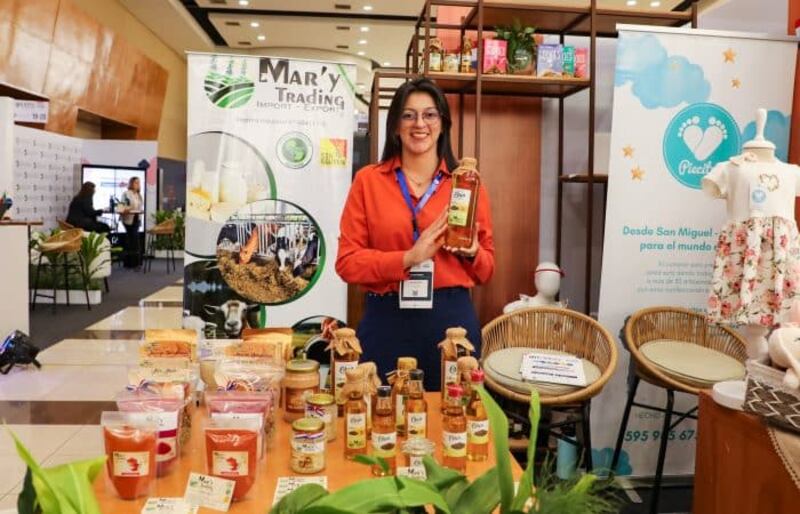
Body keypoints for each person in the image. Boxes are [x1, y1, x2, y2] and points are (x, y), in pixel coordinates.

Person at [335, 78, 495, 391]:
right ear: (395, 126)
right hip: (386, 319)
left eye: (429, 115)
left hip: (451, 326)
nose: (419, 124)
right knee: (380, 414)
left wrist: (473, 252)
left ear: (442, 124)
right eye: (408, 115)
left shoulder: (466, 185)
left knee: (453, 415)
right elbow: (347, 263)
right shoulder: (368, 181)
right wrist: (409, 257)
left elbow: (487, 270)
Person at [120, 176, 143, 268]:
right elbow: (123, 206)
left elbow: (140, 206)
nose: (138, 184)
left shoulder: (139, 195)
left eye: (139, 182)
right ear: (131, 183)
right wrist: (130, 208)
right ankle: (131, 263)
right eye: (136, 182)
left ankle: (135, 263)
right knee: (132, 239)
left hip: (137, 218)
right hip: (128, 219)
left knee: (134, 239)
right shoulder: (126, 194)